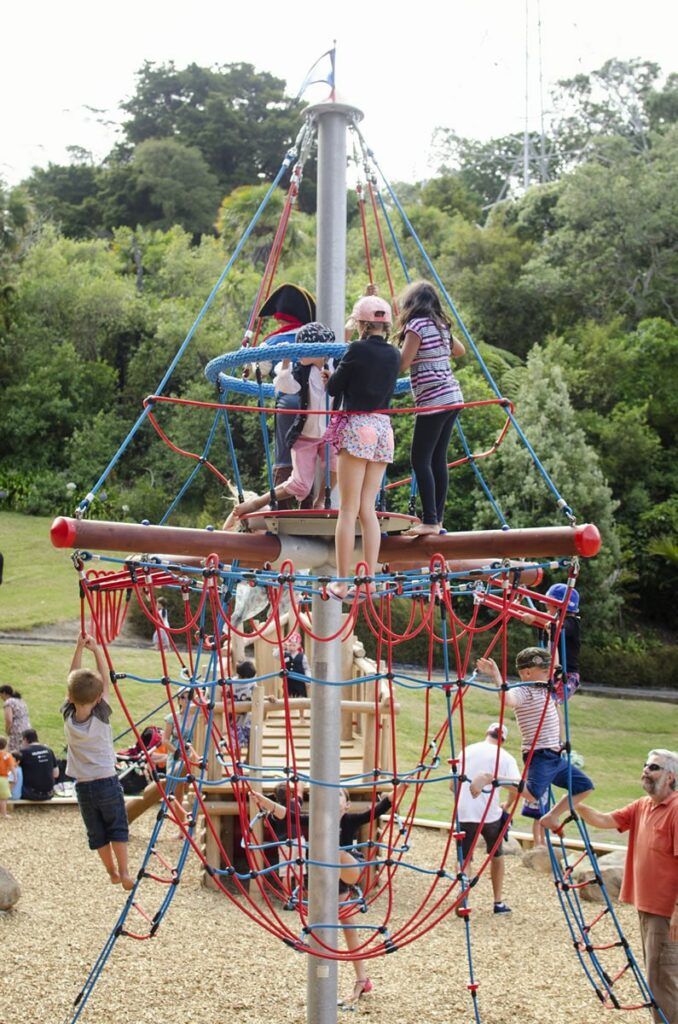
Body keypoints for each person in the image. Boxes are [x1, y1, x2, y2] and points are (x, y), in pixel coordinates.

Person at [252, 784, 403, 1006]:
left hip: (349, 868)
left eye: (339, 795)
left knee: (336, 852)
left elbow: (379, 809)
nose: (334, 797)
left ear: (347, 805)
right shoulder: (316, 820)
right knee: (345, 928)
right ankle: (361, 979)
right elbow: (290, 816)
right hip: (328, 879)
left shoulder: (350, 820)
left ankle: (342, 983)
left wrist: (402, 788)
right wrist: (267, 803)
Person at [577, 750, 678, 1024]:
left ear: (670, 777)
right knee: (657, 978)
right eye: (645, 765)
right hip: (648, 908)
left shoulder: (676, 810)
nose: (645, 770)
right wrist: (574, 805)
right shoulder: (642, 806)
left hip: (667, 914)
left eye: (653, 767)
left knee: (663, 982)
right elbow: (604, 820)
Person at [324, 295, 401, 602]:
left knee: (347, 509)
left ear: (362, 324)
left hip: (358, 426)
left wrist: (332, 374)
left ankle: (342, 583)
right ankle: (369, 581)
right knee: (368, 509)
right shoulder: (394, 353)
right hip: (384, 429)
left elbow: (334, 388)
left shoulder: (356, 349)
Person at [225, 322, 338, 526]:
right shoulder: (301, 370)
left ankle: (320, 501)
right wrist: (286, 361)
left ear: (317, 351)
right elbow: (285, 387)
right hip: (305, 434)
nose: (298, 354)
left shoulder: (336, 366)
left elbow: (347, 386)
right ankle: (258, 502)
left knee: (337, 465)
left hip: (330, 432)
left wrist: (334, 380)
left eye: (302, 349)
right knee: (301, 485)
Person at [475, 647, 594, 833]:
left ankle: (552, 815)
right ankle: (491, 778)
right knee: (532, 793)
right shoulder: (524, 691)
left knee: (584, 786)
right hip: (539, 754)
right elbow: (507, 699)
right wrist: (497, 676)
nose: (550, 673)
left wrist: (551, 636)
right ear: (528, 673)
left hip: (555, 756)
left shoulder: (545, 689)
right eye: (545, 671)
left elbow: (555, 665)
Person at [395, 280, 465, 536]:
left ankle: (430, 520)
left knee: (420, 459)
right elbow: (460, 350)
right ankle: (437, 520)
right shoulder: (441, 325)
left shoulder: (416, 326)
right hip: (452, 396)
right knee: (437, 459)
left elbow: (403, 363)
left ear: (412, 304)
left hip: (434, 400)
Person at [63, 633, 133, 890]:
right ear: (97, 699)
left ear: (70, 697)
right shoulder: (101, 715)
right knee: (117, 827)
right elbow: (105, 684)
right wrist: (96, 651)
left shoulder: (68, 716)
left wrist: (78, 649)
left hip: (83, 786)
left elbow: (72, 682)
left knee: (97, 832)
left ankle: (111, 871)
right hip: (106, 782)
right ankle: (124, 871)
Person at [453, 722, 520, 914]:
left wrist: (463, 799)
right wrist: (507, 805)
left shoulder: (466, 751)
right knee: (496, 855)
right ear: (503, 740)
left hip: (465, 812)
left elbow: (452, 784)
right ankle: (498, 902)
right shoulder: (505, 757)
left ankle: (464, 889)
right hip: (490, 815)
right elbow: (516, 787)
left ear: (487, 733)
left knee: (464, 857)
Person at [15, 728, 59, 800]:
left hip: (30, 794)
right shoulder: (49, 750)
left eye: (21, 741)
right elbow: (56, 774)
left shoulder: (23, 752)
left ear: (25, 739)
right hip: (48, 793)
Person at [283, 632, 309, 719]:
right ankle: (288, 715)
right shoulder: (285, 654)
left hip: (299, 680)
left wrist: (308, 678)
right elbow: (275, 654)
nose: (291, 647)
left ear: (298, 645)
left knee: (301, 698)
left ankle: (301, 716)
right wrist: (282, 647)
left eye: (294, 645)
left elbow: (306, 668)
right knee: (288, 697)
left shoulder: (302, 656)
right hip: (288, 680)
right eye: (290, 645)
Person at [0, 684, 32, 753]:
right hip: (27, 728)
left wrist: (7, 731)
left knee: (14, 752)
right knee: (25, 750)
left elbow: (9, 720)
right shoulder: (20, 701)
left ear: (4, 693)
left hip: (17, 730)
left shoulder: (8, 702)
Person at [0, 736, 17, 818]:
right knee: (3, 798)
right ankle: (4, 814)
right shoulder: (7, 755)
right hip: (3, 778)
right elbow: (12, 767)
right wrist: (15, 777)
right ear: (5, 745)